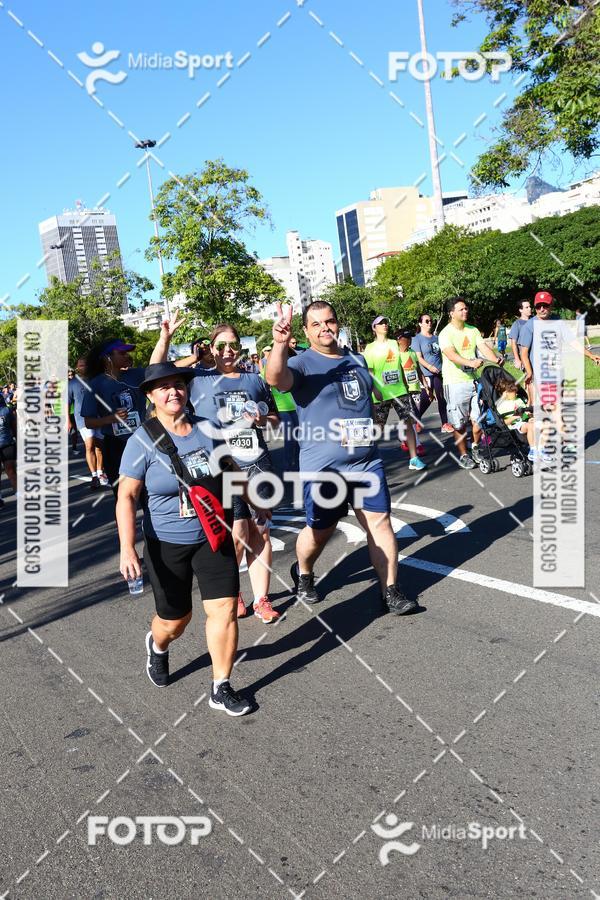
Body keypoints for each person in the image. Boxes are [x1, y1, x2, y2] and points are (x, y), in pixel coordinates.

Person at [266, 301, 418, 616]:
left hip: (366, 463)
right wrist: (280, 344)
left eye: (330, 321)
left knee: (380, 522)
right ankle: (304, 571)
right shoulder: (303, 364)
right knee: (321, 530)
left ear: (337, 324)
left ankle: (390, 591)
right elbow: (275, 378)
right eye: (317, 324)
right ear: (306, 331)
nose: (325, 328)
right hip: (324, 469)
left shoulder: (357, 360)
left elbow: (369, 401)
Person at [117, 363, 251, 715]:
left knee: (223, 609)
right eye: (163, 387)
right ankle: (158, 645)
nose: (173, 391)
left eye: (178, 384)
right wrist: (127, 547)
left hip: (213, 533)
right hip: (166, 543)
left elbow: (230, 470)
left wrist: (249, 506)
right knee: (176, 619)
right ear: (150, 396)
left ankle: (220, 686)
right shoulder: (141, 441)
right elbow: (127, 497)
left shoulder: (209, 429)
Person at [157, 322, 282, 625]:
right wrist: (165, 338)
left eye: (234, 345)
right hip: (221, 466)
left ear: (241, 348)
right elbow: (157, 371)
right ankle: (233, 593)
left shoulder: (255, 379)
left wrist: (262, 418)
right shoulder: (198, 380)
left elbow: (275, 421)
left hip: (256, 461)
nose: (228, 351)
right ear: (211, 349)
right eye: (222, 346)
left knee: (261, 530)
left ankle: (262, 599)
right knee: (237, 530)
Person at [438, 297, 504, 469]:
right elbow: (451, 355)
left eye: (466, 308)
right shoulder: (445, 333)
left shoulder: (472, 330)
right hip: (454, 383)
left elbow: (484, 349)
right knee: (459, 423)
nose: (465, 311)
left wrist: (496, 359)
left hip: (474, 381)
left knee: (478, 418)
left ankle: (474, 447)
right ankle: (463, 455)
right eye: (461, 309)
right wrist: (470, 363)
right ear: (451, 313)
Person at [362, 316, 426, 472]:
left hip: (400, 390)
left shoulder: (393, 344)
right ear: (374, 328)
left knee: (408, 423)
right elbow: (369, 371)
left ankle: (414, 458)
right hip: (381, 393)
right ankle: (371, 461)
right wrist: (374, 389)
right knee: (378, 428)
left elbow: (400, 366)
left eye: (386, 322)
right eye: (381, 323)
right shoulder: (370, 348)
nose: (385, 325)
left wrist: (406, 385)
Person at [69, 357, 108, 490]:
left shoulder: (96, 379)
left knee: (99, 446)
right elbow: (67, 403)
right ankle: (94, 476)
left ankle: (100, 472)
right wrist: (68, 421)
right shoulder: (72, 383)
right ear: (77, 367)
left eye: (85, 365)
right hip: (83, 419)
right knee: (89, 445)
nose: (82, 367)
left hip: (99, 417)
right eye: (80, 365)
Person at [411, 313, 451, 433]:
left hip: (439, 372)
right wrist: (429, 367)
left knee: (441, 397)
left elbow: (442, 354)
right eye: (426, 321)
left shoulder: (436, 338)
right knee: (427, 398)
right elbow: (418, 357)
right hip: (426, 373)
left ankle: (445, 423)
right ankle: (415, 420)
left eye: (430, 321)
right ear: (420, 323)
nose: (429, 323)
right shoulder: (417, 339)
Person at [495, 374, 544, 462]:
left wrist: (529, 416)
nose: (516, 393)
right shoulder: (501, 405)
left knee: (540, 423)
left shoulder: (519, 399)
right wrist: (515, 416)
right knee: (530, 425)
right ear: (505, 393)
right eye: (513, 392)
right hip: (515, 427)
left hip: (524, 422)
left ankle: (542, 449)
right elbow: (504, 422)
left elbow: (524, 414)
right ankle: (533, 450)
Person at [396, 330, 426, 455]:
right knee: (411, 418)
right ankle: (417, 444)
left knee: (411, 418)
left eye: (410, 337)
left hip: (416, 388)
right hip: (403, 390)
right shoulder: (395, 354)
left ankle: (404, 439)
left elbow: (418, 370)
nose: (409, 340)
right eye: (406, 337)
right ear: (399, 339)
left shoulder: (412, 353)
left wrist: (425, 384)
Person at [0, 393, 17, 505]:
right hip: (7, 444)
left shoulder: (7, 410)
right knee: (11, 472)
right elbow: (14, 427)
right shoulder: (7, 410)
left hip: (7, 444)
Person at [508, 300, 533, 370]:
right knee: (530, 378)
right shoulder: (517, 324)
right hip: (525, 358)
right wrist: (517, 359)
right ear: (520, 310)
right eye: (527, 307)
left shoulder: (535, 321)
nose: (530, 309)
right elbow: (513, 342)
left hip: (536, 356)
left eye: (530, 306)